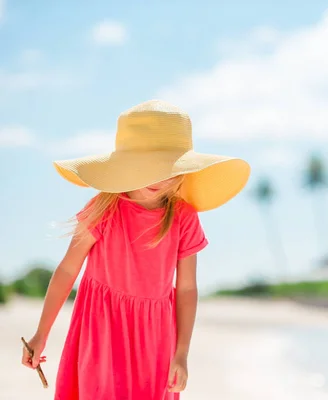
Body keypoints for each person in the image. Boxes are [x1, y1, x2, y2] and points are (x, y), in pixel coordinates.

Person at [21, 100, 251, 399]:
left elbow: (186, 290)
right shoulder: (105, 208)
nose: (159, 178)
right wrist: (42, 333)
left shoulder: (183, 216)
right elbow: (68, 269)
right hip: (102, 330)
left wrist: (181, 353)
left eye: (170, 168)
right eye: (148, 167)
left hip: (155, 337)